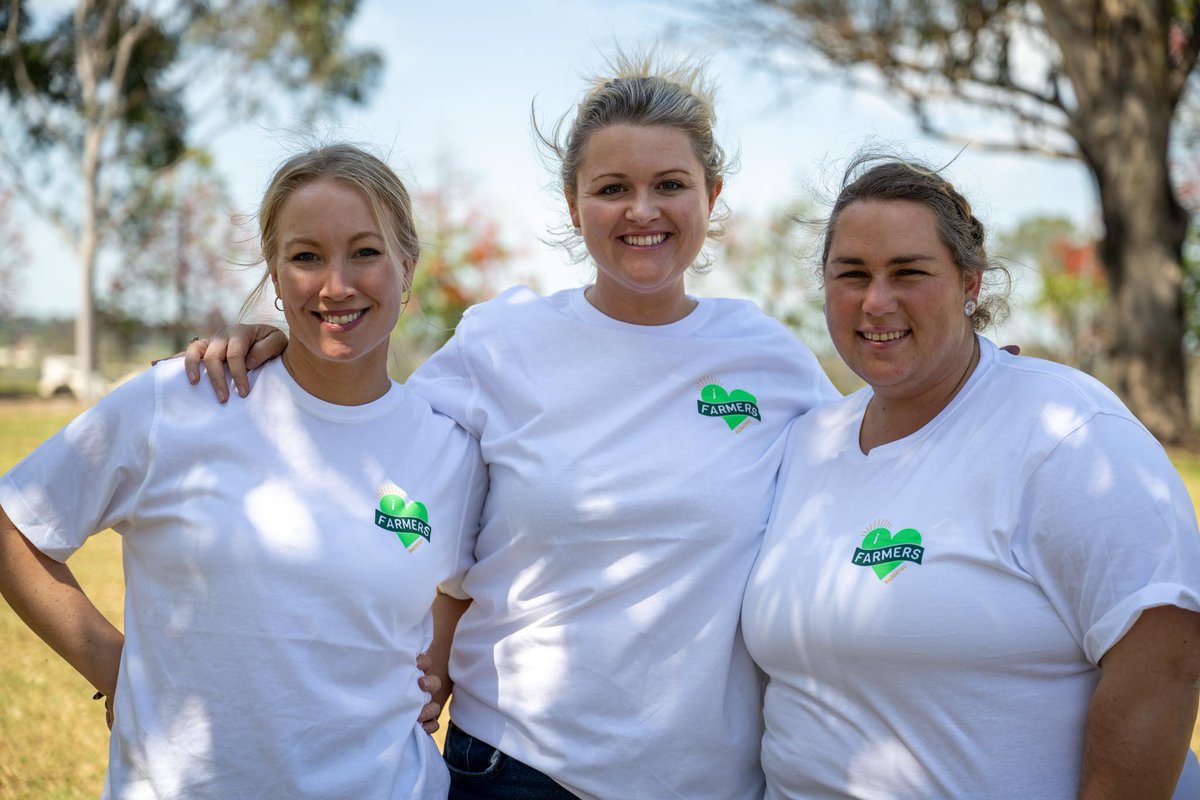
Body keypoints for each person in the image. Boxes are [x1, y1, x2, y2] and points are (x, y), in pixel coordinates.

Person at [185, 52, 839, 799]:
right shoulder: (502, 341)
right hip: (513, 769)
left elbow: (880, 450)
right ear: (572, 203)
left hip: (708, 780)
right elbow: (365, 419)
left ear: (711, 194)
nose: (643, 210)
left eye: (670, 185)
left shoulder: (772, 361)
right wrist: (276, 344)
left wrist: (986, 384)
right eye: (612, 188)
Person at [0, 144, 486, 799]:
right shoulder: (181, 400)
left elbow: (461, 586)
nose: (335, 285)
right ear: (275, 274)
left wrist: (435, 675)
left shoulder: (449, 448)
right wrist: (119, 669)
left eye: (365, 253)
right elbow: (18, 525)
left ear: (407, 265)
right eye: (306, 256)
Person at [741, 155, 1200, 799]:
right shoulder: (809, 441)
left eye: (909, 272)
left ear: (969, 283)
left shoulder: (1066, 433)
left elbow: (1165, 663)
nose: (876, 301)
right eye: (852, 274)